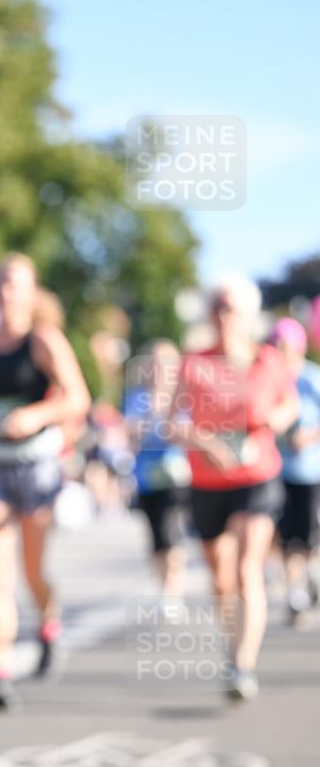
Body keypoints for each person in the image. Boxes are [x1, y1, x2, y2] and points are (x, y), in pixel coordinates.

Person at [0, 254, 90, 706]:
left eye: (17, 283)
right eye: (1, 282)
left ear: (32, 293)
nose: (7, 290)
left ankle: (49, 624)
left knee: (32, 570)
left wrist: (34, 415)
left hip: (35, 465)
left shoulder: (43, 340)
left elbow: (78, 398)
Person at [170, 275, 298, 701]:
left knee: (246, 569)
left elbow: (289, 403)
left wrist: (275, 422)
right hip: (207, 481)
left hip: (256, 476)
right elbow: (172, 422)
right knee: (221, 576)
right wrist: (203, 443)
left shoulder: (267, 360)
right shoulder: (193, 363)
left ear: (246, 314)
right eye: (216, 308)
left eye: (230, 308)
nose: (222, 316)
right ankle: (232, 644)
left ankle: (243, 664)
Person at [124, 340, 190, 609]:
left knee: (173, 532)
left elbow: (185, 432)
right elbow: (130, 433)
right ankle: (163, 586)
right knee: (156, 536)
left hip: (174, 475)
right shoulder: (136, 397)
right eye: (155, 362)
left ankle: (173, 590)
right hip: (146, 477)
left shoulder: (182, 396)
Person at [268, 318, 320, 624]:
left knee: (310, 534)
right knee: (286, 536)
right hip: (278, 470)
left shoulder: (312, 377)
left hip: (311, 471)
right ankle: (295, 591)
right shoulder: (270, 379)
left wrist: (308, 436)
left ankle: (309, 575)